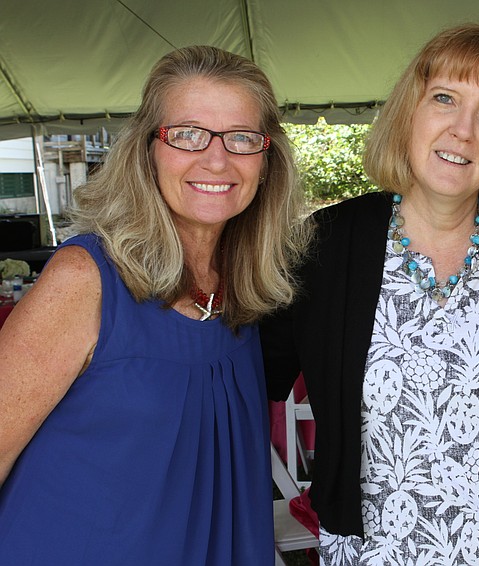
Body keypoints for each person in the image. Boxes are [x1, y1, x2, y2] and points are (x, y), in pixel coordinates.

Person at [260, 24, 479, 564]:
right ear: (409, 113)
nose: (463, 130)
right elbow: (245, 370)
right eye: (445, 98)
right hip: (375, 551)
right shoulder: (326, 246)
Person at [0, 45, 308, 564]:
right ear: (147, 150)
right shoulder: (85, 279)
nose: (217, 158)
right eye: (187, 134)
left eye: (241, 137)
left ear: (267, 157)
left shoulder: (252, 287)